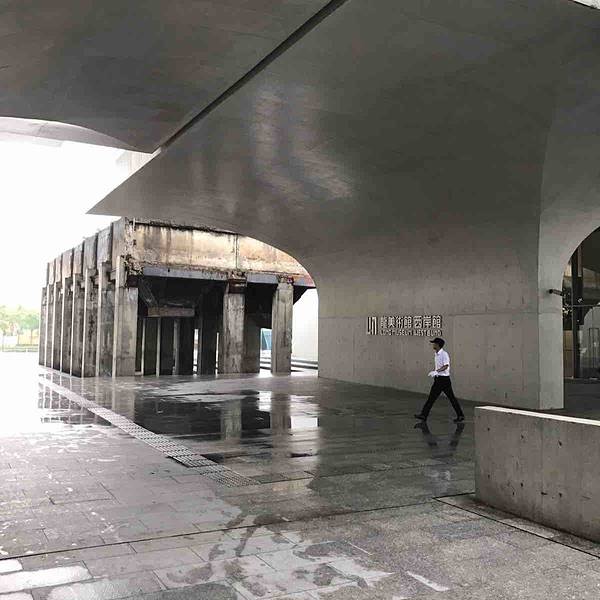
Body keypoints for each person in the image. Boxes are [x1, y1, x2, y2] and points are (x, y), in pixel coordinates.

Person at [415, 337, 464, 422]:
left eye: (434, 343)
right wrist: (436, 373)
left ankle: (460, 415)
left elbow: (446, 366)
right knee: (432, 398)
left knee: (450, 398)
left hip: (444, 380)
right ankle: (423, 415)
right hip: (438, 379)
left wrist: (436, 371)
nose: (433, 344)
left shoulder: (444, 354)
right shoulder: (436, 354)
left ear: (438, 345)